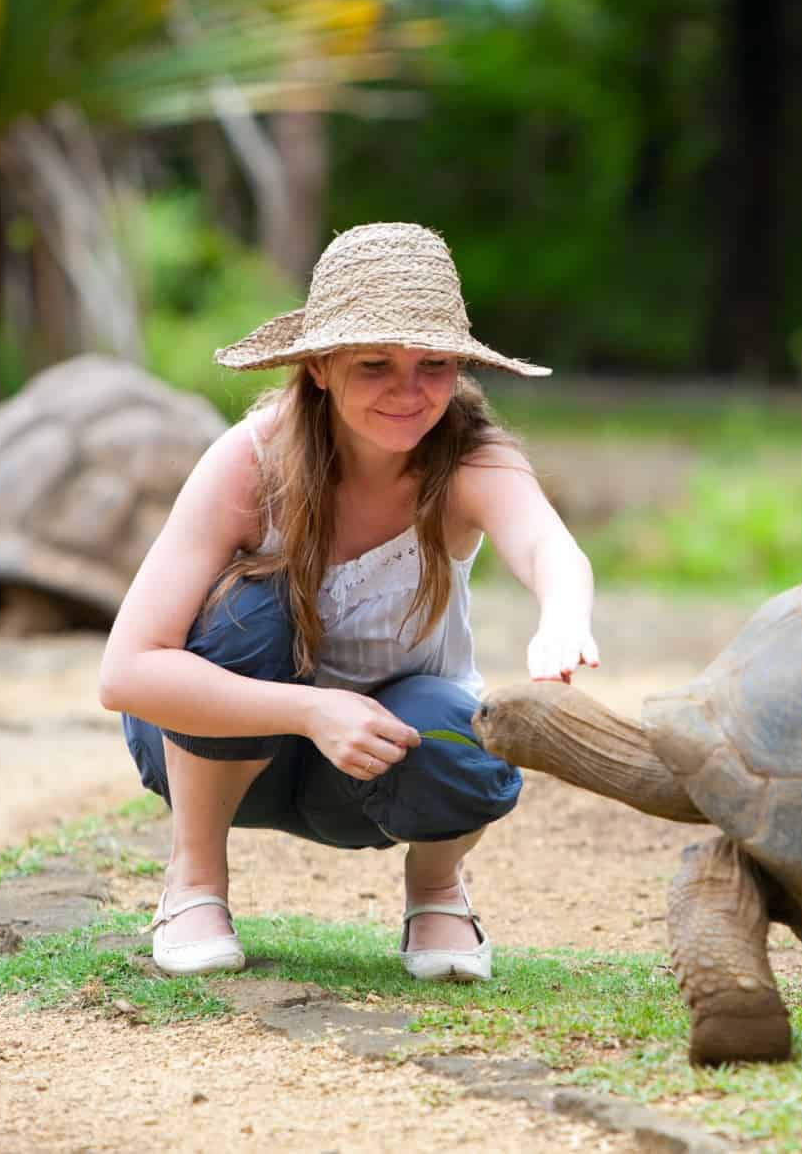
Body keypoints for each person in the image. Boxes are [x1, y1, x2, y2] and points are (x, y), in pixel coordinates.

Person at [99, 222, 598, 984]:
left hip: (371, 768)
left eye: (434, 364)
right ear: (322, 367)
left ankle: (437, 888)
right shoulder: (251, 459)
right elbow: (126, 672)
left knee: (465, 730)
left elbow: (546, 545)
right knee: (248, 610)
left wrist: (563, 616)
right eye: (376, 364)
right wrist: (310, 710)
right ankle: (194, 881)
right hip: (220, 751)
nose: (410, 390)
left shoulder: (469, 456)